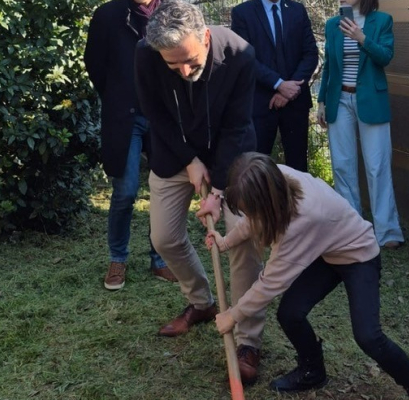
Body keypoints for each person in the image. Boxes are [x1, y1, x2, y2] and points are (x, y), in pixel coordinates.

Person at [205, 152, 409, 400]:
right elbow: (257, 217)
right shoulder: (274, 179)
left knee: (368, 337)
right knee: (290, 314)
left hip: (359, 255)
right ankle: (312, 371)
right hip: (326, 252)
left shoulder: (303, 218)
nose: (249, 216)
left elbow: (270, 282)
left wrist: (233, 315)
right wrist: (226, 242)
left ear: (266, 200)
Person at [134, 0, 264, 384]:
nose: (184, 71)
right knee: (164, 237)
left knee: (242, 242)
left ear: (205, 37)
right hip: (175, 153)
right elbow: (154, 113)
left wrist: (220, 189)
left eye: (190, 61)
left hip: (234, 158)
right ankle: (202, 303)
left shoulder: (241, 54)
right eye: (173, 65)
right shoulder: (145, 55)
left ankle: (247, 339)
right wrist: (190, 159)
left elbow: (237, 124)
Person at [84, 0, 177, 290]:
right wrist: (118, 96)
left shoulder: (173, 11)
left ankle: (160, 259)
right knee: (124, 192)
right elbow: (95, 65)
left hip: (163, 117)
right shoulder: (108, 14)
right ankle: (117, 259)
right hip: (126, 118)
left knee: (163, 191)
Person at [316, 0, 404, 248]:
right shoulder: (333, 24)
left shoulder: (382, 20)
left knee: (377, 166)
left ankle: (387, 232)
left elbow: (385, 57)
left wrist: (361, 38)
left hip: (371, 99)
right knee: (342, 165)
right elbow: (330, 67)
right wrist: (322, 101)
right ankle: (351, 229)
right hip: (339, 99)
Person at [230, 0, 319, 172]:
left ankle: (296, 200)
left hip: (295, 101)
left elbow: (310, 54)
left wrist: (289, 90)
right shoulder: (242, 12)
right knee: (256, 168)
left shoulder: (297, 10)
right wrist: (278, 84)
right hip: (261, 103)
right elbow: (244, 57)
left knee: (298, 167)